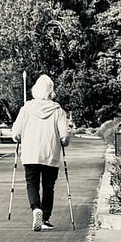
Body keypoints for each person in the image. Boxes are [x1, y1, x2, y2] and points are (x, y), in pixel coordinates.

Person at [12, 74, 72, 230]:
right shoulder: (58, 110)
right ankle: (45, 218)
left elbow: (15, 133)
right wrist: (64, 141)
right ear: (51, 91)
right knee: (48, 186)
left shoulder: (26, 109)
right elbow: (64, 135)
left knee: (31, 183)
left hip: (30, 154)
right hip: (50, 154)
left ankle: (35, 208)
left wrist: (19, 137)